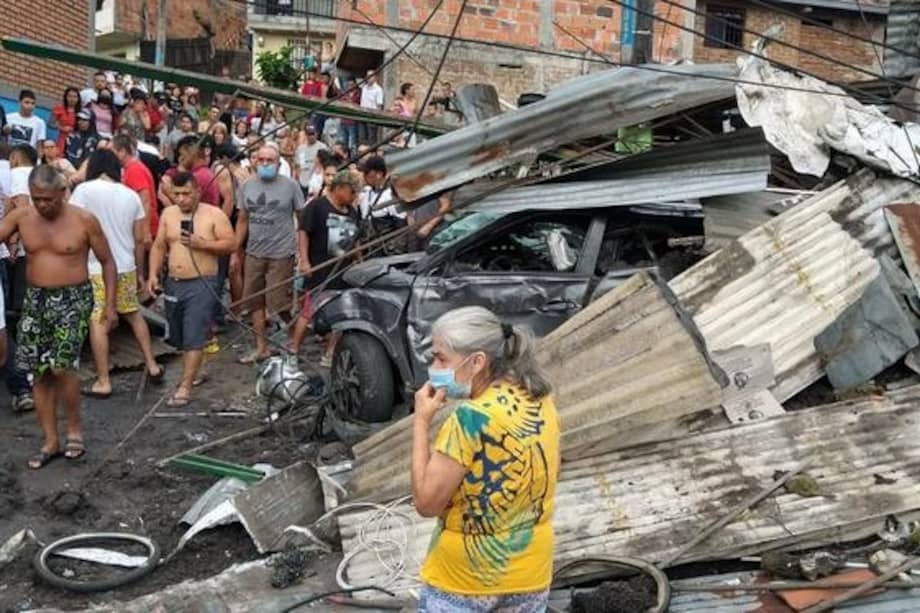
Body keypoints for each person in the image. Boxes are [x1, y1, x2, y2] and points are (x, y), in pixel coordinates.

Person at [412, 306, 559, 611]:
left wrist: (421, 422)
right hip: (531, 573)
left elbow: (426, 503)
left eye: (441, 358)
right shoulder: (540, 401)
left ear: (477, 362)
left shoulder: (470, 418)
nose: (434, 367)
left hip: (465, 579)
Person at [0, 165, 117, 469]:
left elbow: (107, 261)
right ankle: (50, 441)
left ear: (62, 193)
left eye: (49, 199)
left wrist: (110, 305)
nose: (43, 205)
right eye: (37, 198)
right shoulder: (21, 217)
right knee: (39, 372)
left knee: (62, 366)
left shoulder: (84, 219)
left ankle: (74, 431)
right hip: (35, 299)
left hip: (73, 298)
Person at [71, 150, 162, 397]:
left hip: (96, 267)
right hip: (125, 265)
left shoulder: (83, 191)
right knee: (132, 313)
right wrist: (140, 273)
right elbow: (140, 239)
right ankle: (152, 365)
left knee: (99, 319)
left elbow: (73, 227)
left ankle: (103, 381)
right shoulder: (130, 195)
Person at [148, 172, 235, 407]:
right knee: (178, 335)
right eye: (176, 194)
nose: (181, 199)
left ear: (197, 191)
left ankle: (184, 386)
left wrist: (203, 244)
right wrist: (153, 274)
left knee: (194, 333)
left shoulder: (213, 214)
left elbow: (231, 243)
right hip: (174, 282)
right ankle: (198, 369)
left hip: (202, 282)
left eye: (186, 193)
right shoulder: (169, 214)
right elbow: (159, 246)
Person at [234, 144, 305, 363]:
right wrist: (235, 251)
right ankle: (261, 347)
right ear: (255, 161)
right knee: (255, 301)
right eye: (261, 160)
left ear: (278, 163)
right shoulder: (246, 186)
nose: (265, 164)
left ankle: (295, 338)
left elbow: (302, 219)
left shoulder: (290, 186)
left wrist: (302, 251)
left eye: (270, 160)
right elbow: (242, 220)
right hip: (254, 252)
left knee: (280, 302)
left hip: (282, 253)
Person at [292, 170, 359, 363]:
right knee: (308, 311)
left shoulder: (352, 211)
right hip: (320, 269)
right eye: (352, 192)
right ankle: (293, 350)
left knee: (341, 314)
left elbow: (356, 239)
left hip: (343, 271)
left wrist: (358, 259)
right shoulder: (317, 206)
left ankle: (330, 353)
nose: (354, 196)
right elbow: (303, 232)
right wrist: (304, 261)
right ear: (340, 188)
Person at [112, 134, 158, 250]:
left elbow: (145, 200)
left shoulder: (134, 169)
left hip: (144, 230)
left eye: (112, 152)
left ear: (122, 152)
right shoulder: (131, 169)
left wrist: (145, 230)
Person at [358, 155, 407, 252]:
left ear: (379, 174)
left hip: (388, 250)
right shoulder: (366, 194)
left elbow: (401, 228)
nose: (365, 177)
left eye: (368, 174)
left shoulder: (391, 195)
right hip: (368, 249)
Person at [160, 135, 219, 209]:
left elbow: (185, 206)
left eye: (182, 155)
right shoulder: (202, 173)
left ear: (192, 153)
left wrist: (167, 191)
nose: (180, 159)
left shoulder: (199, 176)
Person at [295, 124, 327, 196]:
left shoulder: (322, 147)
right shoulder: (300, 148)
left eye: (313, 134)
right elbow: (297, 166)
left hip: (316, 182)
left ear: (316, 134)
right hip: (302, 181)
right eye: (309, 134)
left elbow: (326, 164)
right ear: (306, 135)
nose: (311, 136)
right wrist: (297, 180)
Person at [51, 87, 81, 152]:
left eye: (75, 97)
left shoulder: (81, 112)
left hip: (75, 141)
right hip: (60, 139)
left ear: (78, 99)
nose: (72, 99)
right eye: (69, 96)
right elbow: (50, 123)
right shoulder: (59, 108)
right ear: (65, 97)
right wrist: (62, 128)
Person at [359, 70, 384, 145]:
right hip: (362, 115)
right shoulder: (364, 88)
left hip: (372, 117)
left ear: (375, 77)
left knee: (371, 138)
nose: (369, 78)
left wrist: (376, 118)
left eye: (371, 76)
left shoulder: (378, 89)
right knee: (362, 138)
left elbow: (379, 105)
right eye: (368, 76)